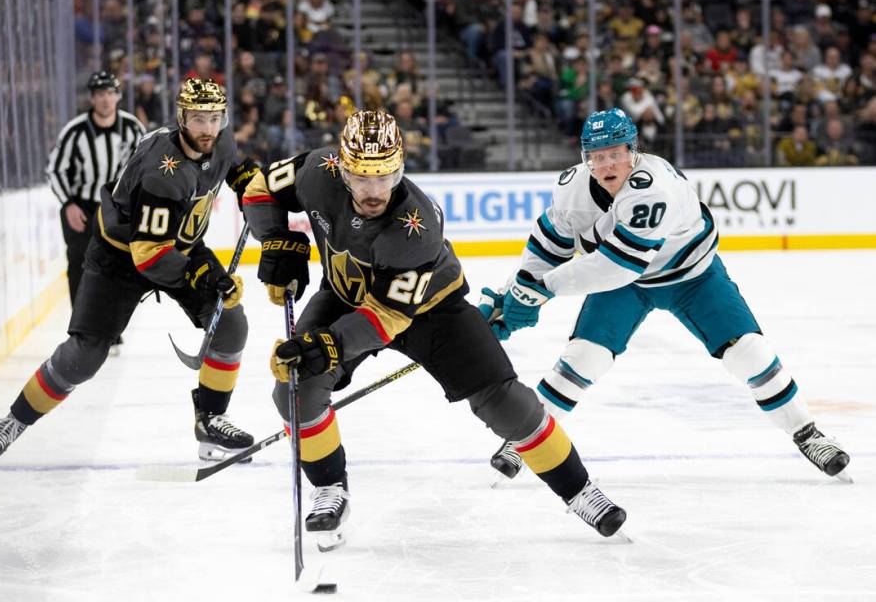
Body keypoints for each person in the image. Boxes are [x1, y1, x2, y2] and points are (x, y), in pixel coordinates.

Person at [241, 110, 628, 550]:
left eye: (384, 177)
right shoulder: (317, 170)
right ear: (341, 168)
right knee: (295, 387)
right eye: (361, 178)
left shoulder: (416, 225)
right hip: (347, 294)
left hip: (429, 308)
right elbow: (258, 189)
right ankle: (330, 488)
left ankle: (580, 491)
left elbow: (388, 318)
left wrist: (328, 345)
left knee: (504, 403)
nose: (373, 191)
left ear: (401, 168)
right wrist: (276, 239)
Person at [482, 108, 851, 484]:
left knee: (749, 352)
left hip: (691, 277)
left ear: (633, 151)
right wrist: (508, 294)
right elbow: (546, 250)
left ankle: (808, 433)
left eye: (616, 154)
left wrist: (540, 292)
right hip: (628, 284)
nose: (608, 164)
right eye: (598, 156)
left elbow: (617, 266)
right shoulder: (571, 188)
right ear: (585, 159)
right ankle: (527, 439)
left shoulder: (652, 187)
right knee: (582, 358)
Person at [0, 78, 258, 464]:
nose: (208, 129)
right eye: (198, 119)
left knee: (230, 322)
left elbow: (233, 168)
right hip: (121, 257)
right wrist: (206, 276)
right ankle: (16, 419)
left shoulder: (220, 139)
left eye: (214, 119)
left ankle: (210, 422)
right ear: (182, 118)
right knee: (86, 355)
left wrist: (252, 186)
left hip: (176, 244)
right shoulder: (165, 172)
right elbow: (148, 256)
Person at [46, 71, 145, 356]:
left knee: (116, 268)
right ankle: (84, 330)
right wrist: (68, 204)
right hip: (83, 208)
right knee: (79, 265)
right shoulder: (75, 131)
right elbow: (55, 169)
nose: (105, 99)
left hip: (116, 208)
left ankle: (110, 329)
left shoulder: (133, 128)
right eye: (99, 94)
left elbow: (143, 168)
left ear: (118, 95)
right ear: (92, 98)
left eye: (109, 92)